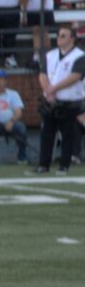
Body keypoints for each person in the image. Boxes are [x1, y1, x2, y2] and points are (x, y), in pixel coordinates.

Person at [41, 24, 85, 174]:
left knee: (68, 134)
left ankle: (64, 165)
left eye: (63, 36)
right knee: (47, 133)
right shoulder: (50, 55)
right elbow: (42, 73)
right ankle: (43, 165)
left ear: (72, 38)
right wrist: (47, 90)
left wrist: (53, 89)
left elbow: (75, 77)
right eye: (59, 35)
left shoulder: (79, 56)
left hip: (69, 102)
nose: (59, 38)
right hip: (51, 101)